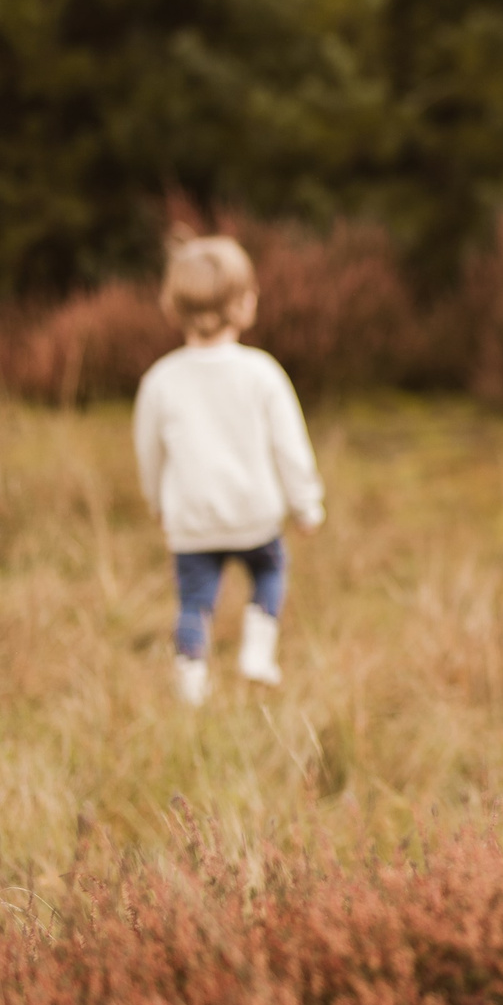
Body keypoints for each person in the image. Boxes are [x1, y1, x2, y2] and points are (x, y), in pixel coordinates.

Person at [133, 233, 324, 707]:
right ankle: (257, 654)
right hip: (254, 517)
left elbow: (149, 453)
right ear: (241, 306)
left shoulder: (160, 380)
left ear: (174, 307)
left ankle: (192, 683)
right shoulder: (261, 372)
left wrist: (157, 503)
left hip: (192, 523)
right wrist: (306, 506)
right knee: (270, 572)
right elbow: (291, 448)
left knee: (194, 601)